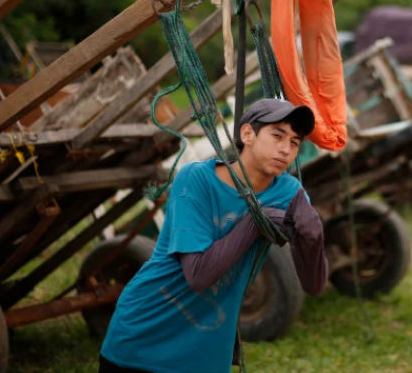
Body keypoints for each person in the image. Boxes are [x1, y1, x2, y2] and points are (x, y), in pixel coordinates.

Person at [99, 98, 328, 373]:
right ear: (247, 134)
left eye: (294, 142)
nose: (285, 149)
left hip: (206, 352)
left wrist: (313, 237)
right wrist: (255, 222)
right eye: (277, 135)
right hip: (145, 336)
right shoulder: (196, 180)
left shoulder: (289, 192)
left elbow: (313, 286)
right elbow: (198, 275)